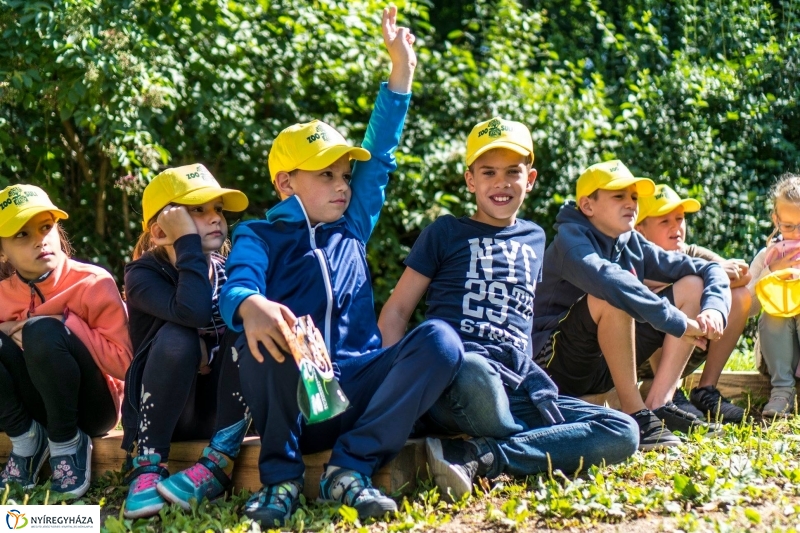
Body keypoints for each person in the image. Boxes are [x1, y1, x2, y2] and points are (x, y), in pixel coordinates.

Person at [219, 7, 463, 526]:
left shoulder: (350, 226)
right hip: (297, 398)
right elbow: (235, 285)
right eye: (326, 175)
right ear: (286, 184)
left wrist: (402, 72)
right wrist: (251, 303)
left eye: (344, 174)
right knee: (268, 326)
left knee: (441, 339)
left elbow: (380, 155)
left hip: (354, 389)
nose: (342, 185)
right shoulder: (258, 234)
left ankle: (347, 470)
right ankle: (280, 482)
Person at [377, 118, 639, 501]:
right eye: (488, 172)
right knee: (477, 371)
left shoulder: (535, 237)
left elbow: (521, 317)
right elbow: (397, 311)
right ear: (470, 181)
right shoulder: (446, 232)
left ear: (529, 179)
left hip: (515, 387)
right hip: (455, 378)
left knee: (623, 432)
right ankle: (546, 447)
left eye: (512, 172)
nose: (501, 182)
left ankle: (484, 456)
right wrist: (394, 394)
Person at [532, 160, 731, 450]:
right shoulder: (570, 242)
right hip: (556, 367)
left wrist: (714, 308)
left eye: (634, 197)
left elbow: (706, 269)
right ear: (587, 206)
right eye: (618, 196)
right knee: (611, 294)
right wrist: (677, 322)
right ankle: (634, 412)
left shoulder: (631, 242)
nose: (631, 204)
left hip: (606, 362)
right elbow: (610, 282)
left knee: (691, 285)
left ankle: (659, 405)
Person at [122, 164, 252, 518]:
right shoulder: (142, 275)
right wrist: (188, 246)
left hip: (218, 413)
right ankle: (147, 466)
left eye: (218, 210)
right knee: (179, 334)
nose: (215, 219)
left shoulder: (227, 269)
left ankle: (220, 459)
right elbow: (191, 311)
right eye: (197, 210)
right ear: (160, 229)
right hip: (167, 417)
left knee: (247, 322)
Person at [0, 184, 131, 497]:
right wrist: (7, 328)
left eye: (46, 227)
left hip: (92, 409)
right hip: (34, 408)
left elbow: (127, 364)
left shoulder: (93, 282)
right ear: (2, 251)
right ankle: (25, 439)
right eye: (22, 234)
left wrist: (65, 323)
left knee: (42, 333)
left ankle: (68, 443)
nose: (40, 240)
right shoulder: (3, 293)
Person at [635, 184, 750, 423]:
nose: (676, 227)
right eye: (664, 222)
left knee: (740, 296)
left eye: (679, 219)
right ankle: (671, 393)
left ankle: (706, 389)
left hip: (689, 347)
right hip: (638, 357)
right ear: (640, 230)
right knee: (684, 290)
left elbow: (744, 276)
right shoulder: (634, 255)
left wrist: (715, 277)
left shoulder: (691, 251)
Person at [746, 173, 800, 417]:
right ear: (776, 220)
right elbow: (747, 308)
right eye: (789, 226)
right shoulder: (767, 256)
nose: (797, 234)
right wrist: (770, 272)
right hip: (778, 357)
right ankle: (782, 391)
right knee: (773, 315)